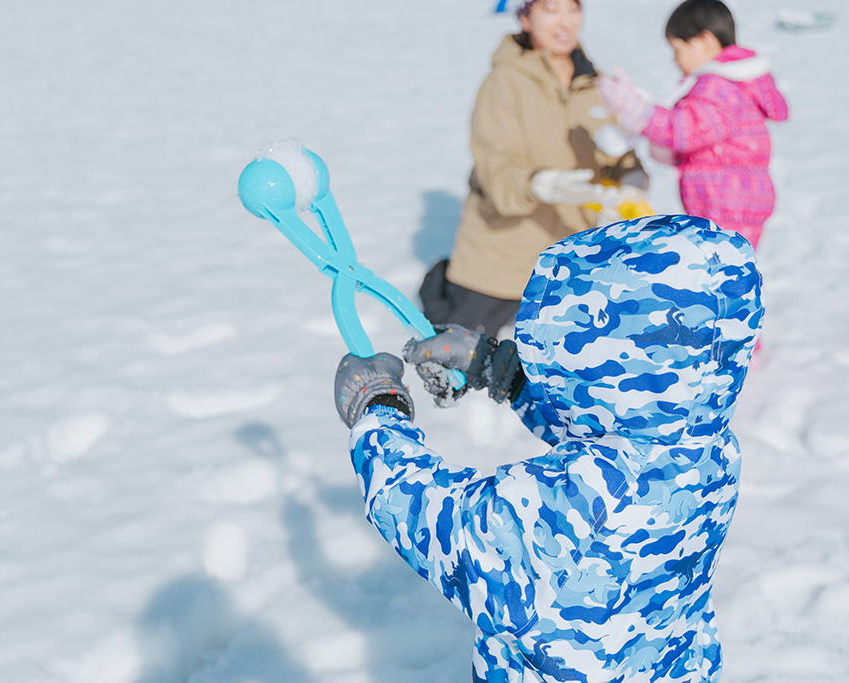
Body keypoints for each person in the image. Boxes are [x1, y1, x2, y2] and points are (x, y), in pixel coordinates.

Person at [334, 213, 764, 682]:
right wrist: (500, 368)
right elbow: (602, 431)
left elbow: (445, 526)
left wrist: (378, 411)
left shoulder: (585, 502)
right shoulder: (706, 447)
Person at [420, 0, 648, 339]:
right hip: (502, 259)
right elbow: (496, 171)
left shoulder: (597, 84)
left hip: (574, 259)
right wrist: (540, 184)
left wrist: (631, 180)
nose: (565, 22)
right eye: (550, 9)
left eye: (572, 9)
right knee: (458, 364)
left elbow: (622, 158)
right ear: (525, 17)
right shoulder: (503, 83)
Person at [597, 0, 788, 249]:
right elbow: (704, 137)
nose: (675, 59)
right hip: (735, 200)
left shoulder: (717, 87)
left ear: (706, 41)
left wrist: (639, 111)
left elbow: (686, 129)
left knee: (720, 270)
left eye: (678, 49)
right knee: (730, 270)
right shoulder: (735, 84)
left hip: (725, 202)